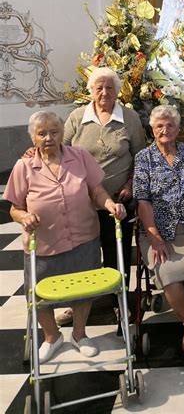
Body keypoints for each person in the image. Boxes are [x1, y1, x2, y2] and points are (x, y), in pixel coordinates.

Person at [5, 111, 126, 363]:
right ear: (33, 137)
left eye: (54, 132)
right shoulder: (24, 166)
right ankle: (52, 336)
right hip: (44, 243)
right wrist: (24, 216)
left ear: (62, 133)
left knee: (85, 288)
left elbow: (96, 190)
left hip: (84, 237)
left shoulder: (80, 157)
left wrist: (110, 204)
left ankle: (79, 334)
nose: (49, 137)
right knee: (38, 294)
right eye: (42, 133)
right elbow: (14, 207)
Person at [133, 105, 184, 373]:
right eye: (159, 126)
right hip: (158, 232)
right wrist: (154, 236)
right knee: (167, 270)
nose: (164, 130)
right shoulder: (144, 158)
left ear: (178, 129)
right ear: (152, 130)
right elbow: (142, 200)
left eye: (170, 125)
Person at [62, 67, 146, 322]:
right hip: (81, 203)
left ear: (118, 91)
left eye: (110, 87)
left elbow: (140, 157)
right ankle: (76, 302)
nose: (104, 92)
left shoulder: (129, 118)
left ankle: (118, 299)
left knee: (116, 253)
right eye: (99, 87)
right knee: (81, 255)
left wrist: (130, 185)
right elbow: (60, 151)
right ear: (91, 91)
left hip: (118, 202)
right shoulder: (77, 117)